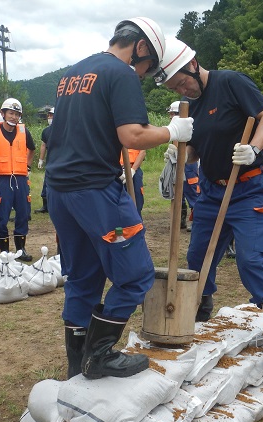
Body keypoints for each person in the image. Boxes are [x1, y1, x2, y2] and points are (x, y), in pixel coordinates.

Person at [45, 18, 193, 379]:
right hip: (96, 193)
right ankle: (99, 355)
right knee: (135, 275)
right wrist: (173, 131)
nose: (143, 75)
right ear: (140, 47)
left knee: (83, 276)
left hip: (60, 192)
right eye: (147, 67)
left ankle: (77, 363)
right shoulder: (121, 73)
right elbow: (132, 134)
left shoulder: (75, 73)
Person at [156, 37, 263, 361]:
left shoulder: (230, 82)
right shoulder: (191, 107)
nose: (181, 91)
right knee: (199, 255)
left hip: (250, 187)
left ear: (191, 65)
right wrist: (179, 155)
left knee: (249, 259)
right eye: (174, 89)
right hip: (213, 191)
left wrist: (254, 149)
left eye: (181, 83)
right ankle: (201, 304)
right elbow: (199, 151)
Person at [0, 97, 36, 261]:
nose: (14, 117)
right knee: (1, 216)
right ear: (3, 113)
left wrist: (27, 167)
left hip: (20, 179)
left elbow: (32, 149)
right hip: (2, 179)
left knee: (23, 214)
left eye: (17, 114)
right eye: (11, 113)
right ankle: (5, 251)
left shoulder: (24, 131)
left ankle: (21, 250)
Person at [168, 100, 199, 231]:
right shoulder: (174, 126)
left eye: (173, 113)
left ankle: (196, 220)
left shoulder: (189, 126)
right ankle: (180, 221)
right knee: (177, 193)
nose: (170, 116)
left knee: (192, 193)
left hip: (189, 164)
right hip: (177, 162)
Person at [35, 107, 53, 214]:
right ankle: (45, 206)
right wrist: (40, 160)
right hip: (50, 162)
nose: (50, 117)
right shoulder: (46, 131)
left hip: (61, 161)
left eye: (52, 115)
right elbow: (43, 145)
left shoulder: (64, 128)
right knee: (46, 183)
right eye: (49, 115)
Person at [119, 147, 146, 215]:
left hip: (134, 169)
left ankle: (137, 222)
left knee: (137, 201)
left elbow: (142, 151)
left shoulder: (137, 136)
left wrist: (133, 170)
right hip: (117, 171)